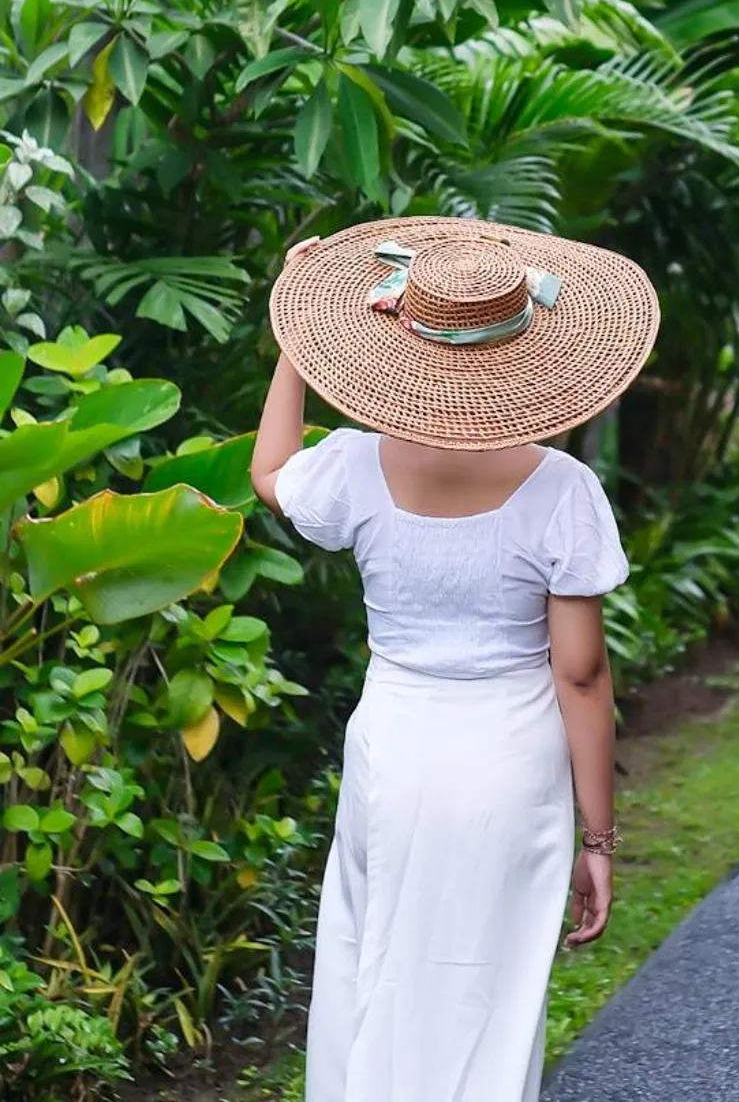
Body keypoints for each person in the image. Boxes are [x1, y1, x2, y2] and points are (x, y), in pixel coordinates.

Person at [250, 216, 660, 1102]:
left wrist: (293, 343)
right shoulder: (563, 491)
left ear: (404, 333)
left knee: (378, 962)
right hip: (510, 761)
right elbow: (580, 675)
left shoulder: (355, 466)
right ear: (527, 345)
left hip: (392, 750)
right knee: (491, 989)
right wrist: (600, 838)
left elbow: (270, 470)